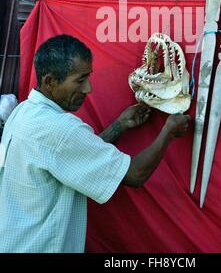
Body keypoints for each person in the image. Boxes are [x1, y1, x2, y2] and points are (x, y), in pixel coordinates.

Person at [0, 34, 190, 253]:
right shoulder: (61, 128)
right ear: (50, 82)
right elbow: (134, 175)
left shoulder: (23, 111)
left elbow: (70, 156)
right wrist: (168, 131)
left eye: (88, 78)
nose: (88, 89)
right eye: (80, 80)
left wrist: (120, 125)